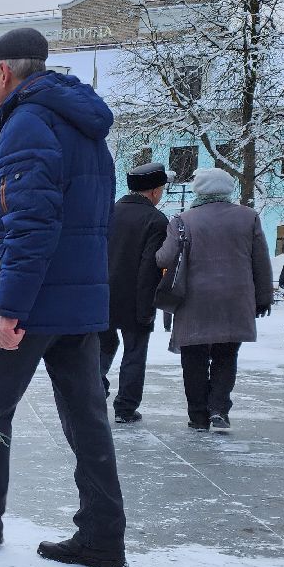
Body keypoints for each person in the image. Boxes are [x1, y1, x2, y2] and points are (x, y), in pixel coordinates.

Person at [0, 27, 127, 567]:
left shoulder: (27, 125)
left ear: (4, 72)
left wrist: (7, 309)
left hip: (33, 303)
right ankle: (103, 536)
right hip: (80, 304)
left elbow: (29, 226)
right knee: (88, 421)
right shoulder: (84, 127)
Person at [154, 167, 272, 431]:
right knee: (226, 355)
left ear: (199, 189)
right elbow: (261, 261)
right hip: (235, 299)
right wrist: (263, 297)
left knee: (193, 357)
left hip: (194, 299)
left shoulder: (183, 220)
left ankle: (198, 415)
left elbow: (164, 258)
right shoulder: (249, 217)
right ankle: (219, 408)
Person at [100, 162, 169, 424]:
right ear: (153, 191)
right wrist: (146, 308)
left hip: (103, 295)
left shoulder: (108, 213)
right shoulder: (156, 220)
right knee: (134, 353)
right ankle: (125, 408)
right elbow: (148, 268)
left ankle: (95, 389)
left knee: (103, 347)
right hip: (135, 299)